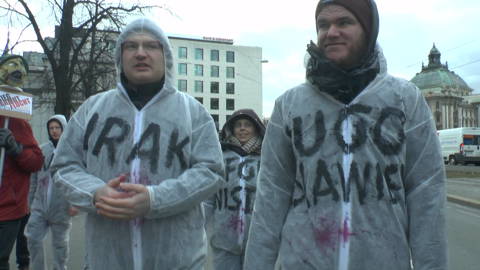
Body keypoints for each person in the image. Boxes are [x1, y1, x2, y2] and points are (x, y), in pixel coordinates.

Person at [244, 1, 447, 269]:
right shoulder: (289, 106)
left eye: (344, 22)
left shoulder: (405, 100)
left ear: (368, 29)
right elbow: (271, 196)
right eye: (323, 25)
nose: (331, 32)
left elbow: (426, 197)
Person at [50, 18, 225, 270]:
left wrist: (156, 199)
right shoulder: (92, 109)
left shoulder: (192, 112)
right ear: (120, 57)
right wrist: (95, 193)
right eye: (131, 46)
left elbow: (211, 171)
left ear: (166, 56)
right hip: (106, 259)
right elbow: (63, 167)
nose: (141, 53)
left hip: (178, 260)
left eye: (151, 46)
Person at [204, 109, 265, 270]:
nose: (242, 128)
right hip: (224, 238)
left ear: (256, 129)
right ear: (231, 129)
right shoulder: (220, 157)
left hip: (257, 239)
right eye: (238, 125)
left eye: (247, 125)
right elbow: (209, 197)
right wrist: (199, 226)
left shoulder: (266, 158)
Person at [0, 54, 44, 270]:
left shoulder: (16, 119)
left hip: (7, 207)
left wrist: (15, 148)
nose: (17, 69)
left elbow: (36, 161)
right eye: (11, 64)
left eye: (21, 66)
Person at [26, 114, 78, 270]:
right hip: (39, 205)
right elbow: (34, 177)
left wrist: (75, 203)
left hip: (61, 207)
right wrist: (29, 202)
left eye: (57, 128)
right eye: (51, 128)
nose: (54, 131)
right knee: (33, 238)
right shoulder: (42, 150)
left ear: (64, 129)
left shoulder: (71, 151)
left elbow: (76, 180)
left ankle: (59, 267)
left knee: (60, 245)